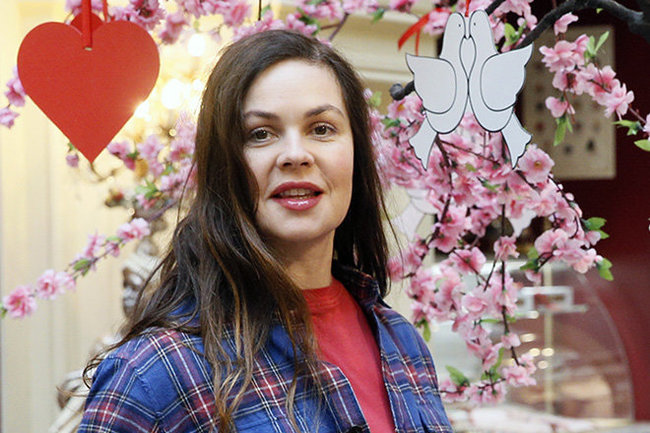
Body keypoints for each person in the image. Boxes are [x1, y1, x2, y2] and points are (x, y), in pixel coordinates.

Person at [78, 29, 452, 433]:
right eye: (260, 134)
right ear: (223, 167)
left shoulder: (402, 342)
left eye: (322, 128)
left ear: (357, 153)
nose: (296, 155)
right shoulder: (155, 374)